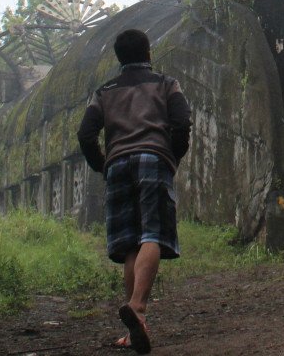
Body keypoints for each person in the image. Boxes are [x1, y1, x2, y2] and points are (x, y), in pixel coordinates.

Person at [77, 29, 192, 354]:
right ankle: (138, 308)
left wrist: (103, 165)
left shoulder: (104, 92)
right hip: (153, 159)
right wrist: (173, 155)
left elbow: (86, 134)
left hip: (117, 166)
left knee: (130, 244)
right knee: (152, 235)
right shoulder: (166, 84)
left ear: (119, 58)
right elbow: (182, 122)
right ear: (148, 53)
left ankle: (133, 328)